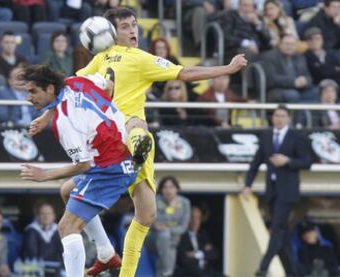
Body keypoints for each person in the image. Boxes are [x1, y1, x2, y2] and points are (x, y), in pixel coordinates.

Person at [32, 7, 247, 277]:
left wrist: (46, 115)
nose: (133, 30)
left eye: (134, 24)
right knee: (144, 208)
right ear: (111, 32)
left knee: (68, 191)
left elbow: (69, 87)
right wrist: (227, 68)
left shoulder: (98, 60)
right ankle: (120, 265)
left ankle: (105, 252)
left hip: (105, 145)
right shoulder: (138, 59)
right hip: (126, 142)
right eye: (125, 26)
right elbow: (186, 73)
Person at [18, 64, 137, 277]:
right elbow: (108, 86)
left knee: (66, 227)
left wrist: (44, 175)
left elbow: (84, 165)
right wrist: (47, 114)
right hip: (124, 152)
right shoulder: (76, 81)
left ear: (50, 89)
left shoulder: (65, 121)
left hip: (110, 169)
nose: (28, 97)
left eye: (33, 91)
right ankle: (106, 252)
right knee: (66, 191)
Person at [241, 105, 312, 276]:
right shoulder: (266, 137)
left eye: (282, 115)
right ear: (272, 118)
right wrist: (248, 184)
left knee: (277, 228)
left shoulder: (296, 137)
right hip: (272, 191)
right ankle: (293, 272)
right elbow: (256, 162)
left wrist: (288, 161)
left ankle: (263, 267)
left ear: (288, 118)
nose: (279, 119)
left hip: (288, 191)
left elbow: (307, 162)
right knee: (283, 233)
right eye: (276, 115)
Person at [261, 33, 319, 103]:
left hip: (299, 89)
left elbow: (308, 76)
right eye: (287, 44)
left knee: (316, 92)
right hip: (276, 90)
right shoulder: (270, 57)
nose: (289, 47)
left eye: (292, 44)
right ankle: (299, 114)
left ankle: (310, 114)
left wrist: (305, 81)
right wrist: (293, 82)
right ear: (280, 45)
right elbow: (272, 79)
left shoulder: (300, 57)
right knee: (293, 95)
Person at [152, 176, 191, 277]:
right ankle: (166, 269)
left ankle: (166, 270)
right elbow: (155, 224)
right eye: (165, 187)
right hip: (154, 240)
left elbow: (183, 227)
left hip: (173, 241)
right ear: (161, 189)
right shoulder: (155, 200)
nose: (168, 190)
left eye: (171, 187)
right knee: (164, 235)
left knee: (164, 272)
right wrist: (169, 209)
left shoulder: (185, 203)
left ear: (177, 189)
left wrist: (167, 228)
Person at [174, 205, 220, 277]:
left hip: (205, 271)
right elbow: (183, 259)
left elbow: (214, 253)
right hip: (188, 273)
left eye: (198, 218)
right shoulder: (180, 236)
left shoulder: (203, 235)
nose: (195, 221)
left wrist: (197, 254)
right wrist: (205, 253)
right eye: (192, 217)